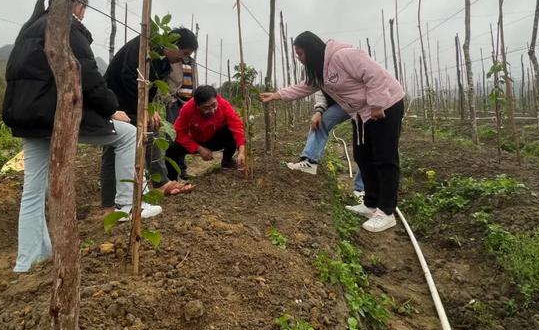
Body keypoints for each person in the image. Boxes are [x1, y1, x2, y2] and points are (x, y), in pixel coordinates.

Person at [2, 0, 161, 273]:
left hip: (27, 117)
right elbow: (88, 75)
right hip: (54, 115)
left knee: (34, 190)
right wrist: (112, 109)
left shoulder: (29, 29)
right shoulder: (67, 27)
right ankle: (127, 205)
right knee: (127, 134)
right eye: (84, 10)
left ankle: (26, 261)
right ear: (77, 6)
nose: (84, 15)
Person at [260, 31, 404, 233]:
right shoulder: (320, 71)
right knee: (362, 156)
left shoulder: (343, 56)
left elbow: (375, 74)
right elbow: (304, 87)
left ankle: (387, 212)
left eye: (300, 53)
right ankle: (371, 203)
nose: (298, 58)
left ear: (310, 50)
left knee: (384, 158)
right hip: (361, 113)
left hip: (386, 105)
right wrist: (277, 95)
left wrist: (377, 104)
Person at [103, 27, 198, 196]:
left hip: (136, 103)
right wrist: (143, 108)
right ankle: (112, 198)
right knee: (116, 144)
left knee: (152, 130)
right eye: (184, 53)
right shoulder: (144, 45)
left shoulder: (164, 63)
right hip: (115, 103)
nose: (183, 59)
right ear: (174, 45)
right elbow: (129, 77)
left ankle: (160, 182)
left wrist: (150, 109)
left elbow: (152, 89)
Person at [287, 90, 365, 197]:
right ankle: (309, 161)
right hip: (343, 103)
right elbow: (318, 90)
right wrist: (319, 111)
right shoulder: (320, 76)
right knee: (320, 121)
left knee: (366, 143)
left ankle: (362, 189)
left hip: (363, 101)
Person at [165, 85, 246, 177]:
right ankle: (172, 180)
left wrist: (241, 151)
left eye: (213, 105)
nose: (212, 110)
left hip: (216, 139)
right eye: (206, 108)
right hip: (197, 140)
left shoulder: (223, 104)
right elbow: (179, 132)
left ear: (216, 99)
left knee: (230, 130)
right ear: (197, 106)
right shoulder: (187, 109)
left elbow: (236, 126)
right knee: (171, 149)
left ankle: (227, 160)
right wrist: (198, 148)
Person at [163, 55, 198, 179]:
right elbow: (164, 79)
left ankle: (182, 169)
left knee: (185, 136)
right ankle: (171, 173)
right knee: (173, 136)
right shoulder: (173, 59)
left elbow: (194, 81)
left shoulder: (192, 62)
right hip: (174, 101)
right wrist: (168, 98)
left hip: (188, 103)